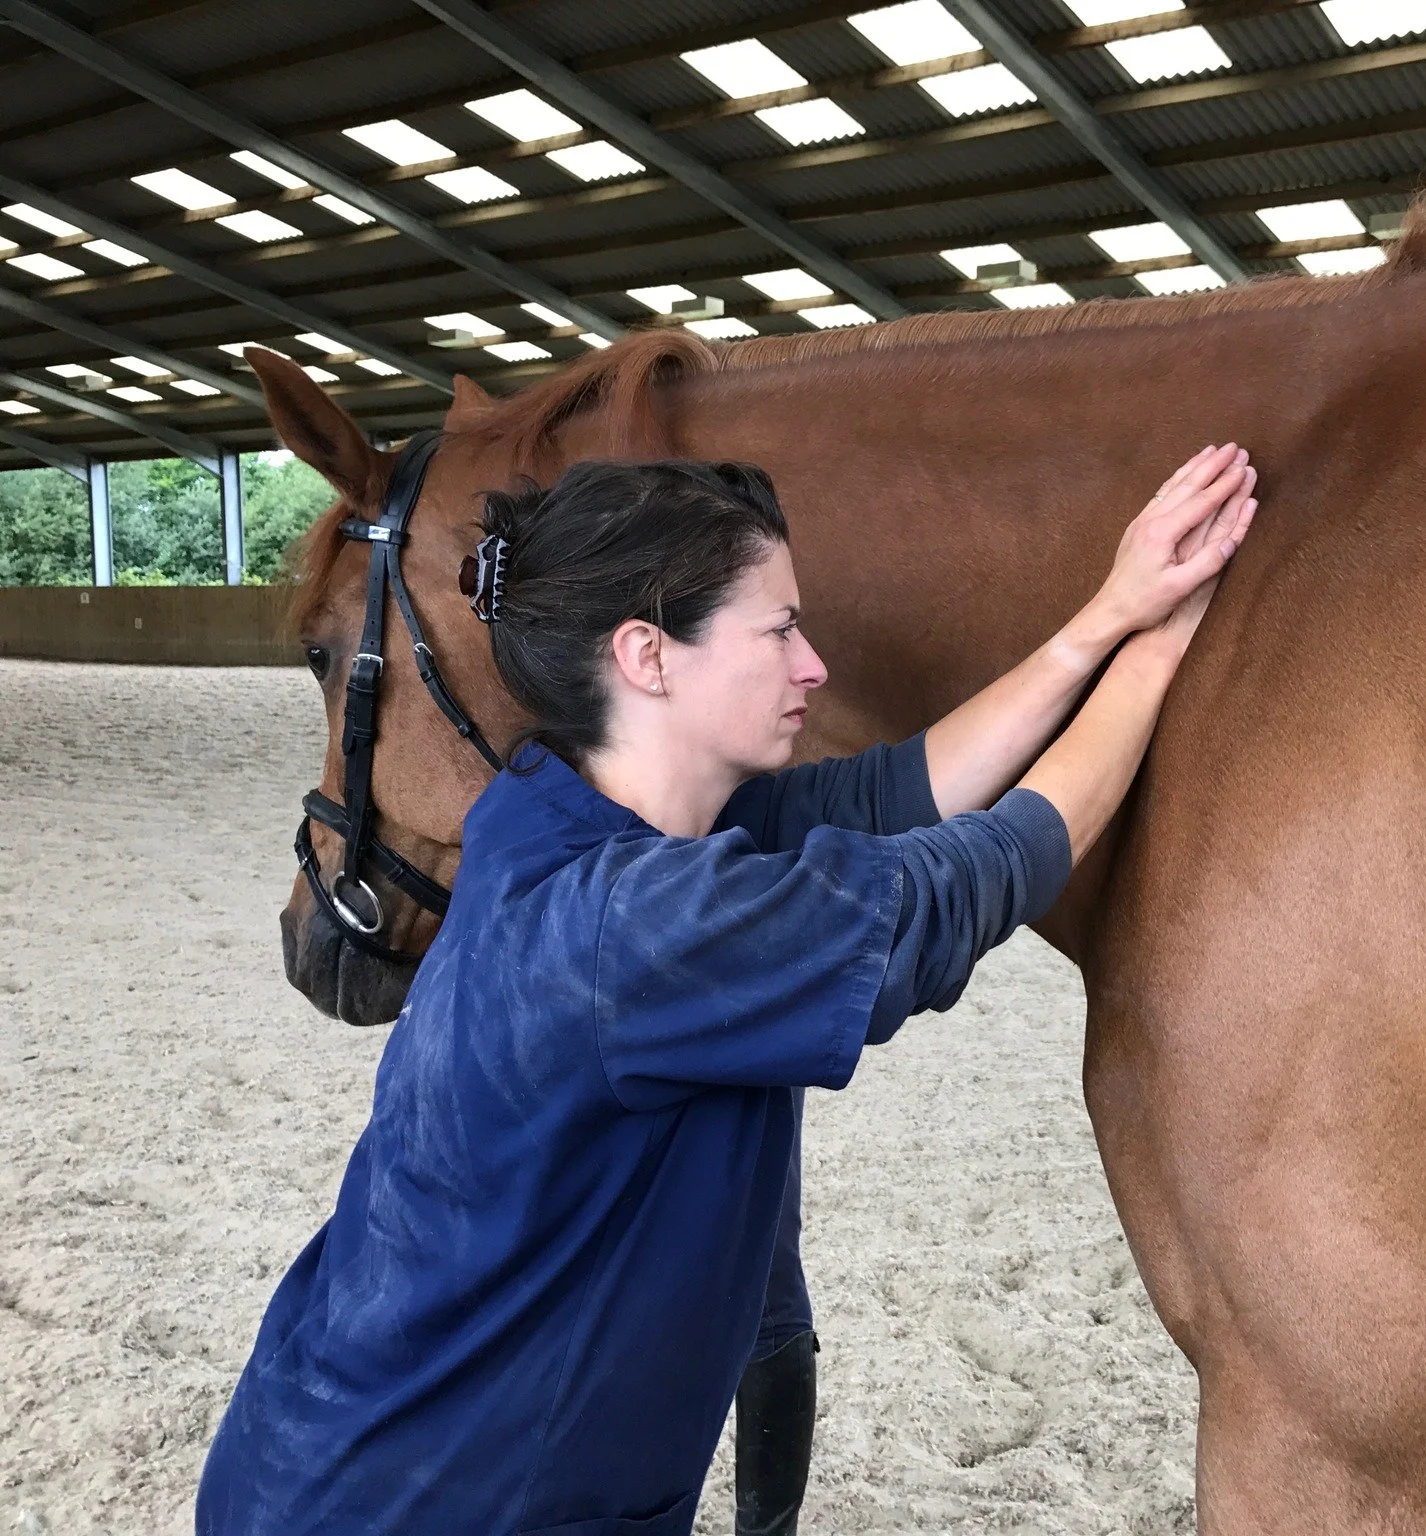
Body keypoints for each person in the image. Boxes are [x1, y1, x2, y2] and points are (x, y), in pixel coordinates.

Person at [195, 442, 1258, 1536]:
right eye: (778, 630)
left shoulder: (553, 814)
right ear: (646, 655)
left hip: (339, 1452)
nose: (813, 668)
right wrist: (1165, 639)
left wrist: (1107, 613)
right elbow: (975, 877)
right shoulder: (631, 929)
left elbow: (910, 789)